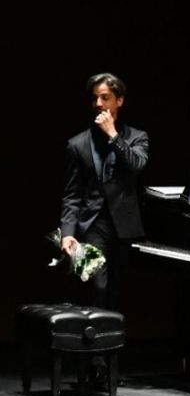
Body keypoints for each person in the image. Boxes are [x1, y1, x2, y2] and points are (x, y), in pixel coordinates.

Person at [60, 72, 149, 311]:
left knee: (117, 291)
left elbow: (136, 166)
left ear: (119, 101)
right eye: (95, 98)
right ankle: (92, 346)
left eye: (105, 97)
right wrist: (67, 232)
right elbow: (72, 193)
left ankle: (111, 347)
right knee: (95, 288)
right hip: (90, 225)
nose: (98, 104)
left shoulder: (137, 138)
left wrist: (113, 135)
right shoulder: (77, 144)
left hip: (123, 226)